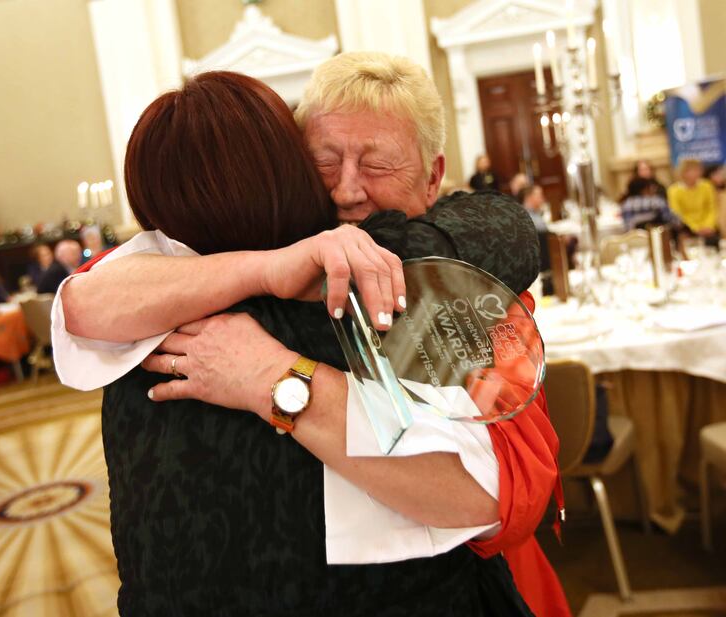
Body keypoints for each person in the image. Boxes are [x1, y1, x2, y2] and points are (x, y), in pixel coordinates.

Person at [56, 55, 567, 616]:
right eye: (323, 162)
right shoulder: (158, 292)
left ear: (434, 177)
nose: (348, 191)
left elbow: (492, 491)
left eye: (377, 165)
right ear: (291, 167)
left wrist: (274, 377)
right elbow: (81, 301)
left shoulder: (446, 284)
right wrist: (277, 266)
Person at [667, 158, 719, 244]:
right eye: (691, 170)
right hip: (687, 228)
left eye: (698, 169)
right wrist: (695, 228)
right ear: (683, 172)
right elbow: (677, 213)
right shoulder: (674, 190)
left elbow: (712, 208)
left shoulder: (707, 186)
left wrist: (708, 225)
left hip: (708, 228)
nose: (696, 173)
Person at [704, 163, 726, 235]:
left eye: (721, 173)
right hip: (708, 227)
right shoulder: (705, 190)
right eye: (716, 174)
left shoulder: (723, 193)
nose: (720, 176)